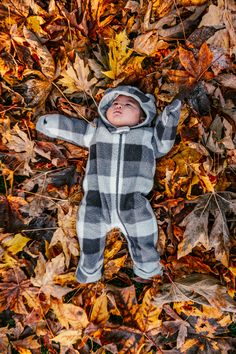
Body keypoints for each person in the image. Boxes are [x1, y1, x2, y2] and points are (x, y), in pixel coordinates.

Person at [36, 85, 181, 283]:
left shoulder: (147, 137)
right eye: (115, 103)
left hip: (132, 201)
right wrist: (49, 123)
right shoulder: (97, 131)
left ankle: (147, 267)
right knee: (88, 229)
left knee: (143, 232)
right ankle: (89, 268)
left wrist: (170, 117)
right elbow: (74, 130)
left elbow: (164, 142)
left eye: (128, 104)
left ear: (142, 117)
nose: (119, 107)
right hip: (98, 199)